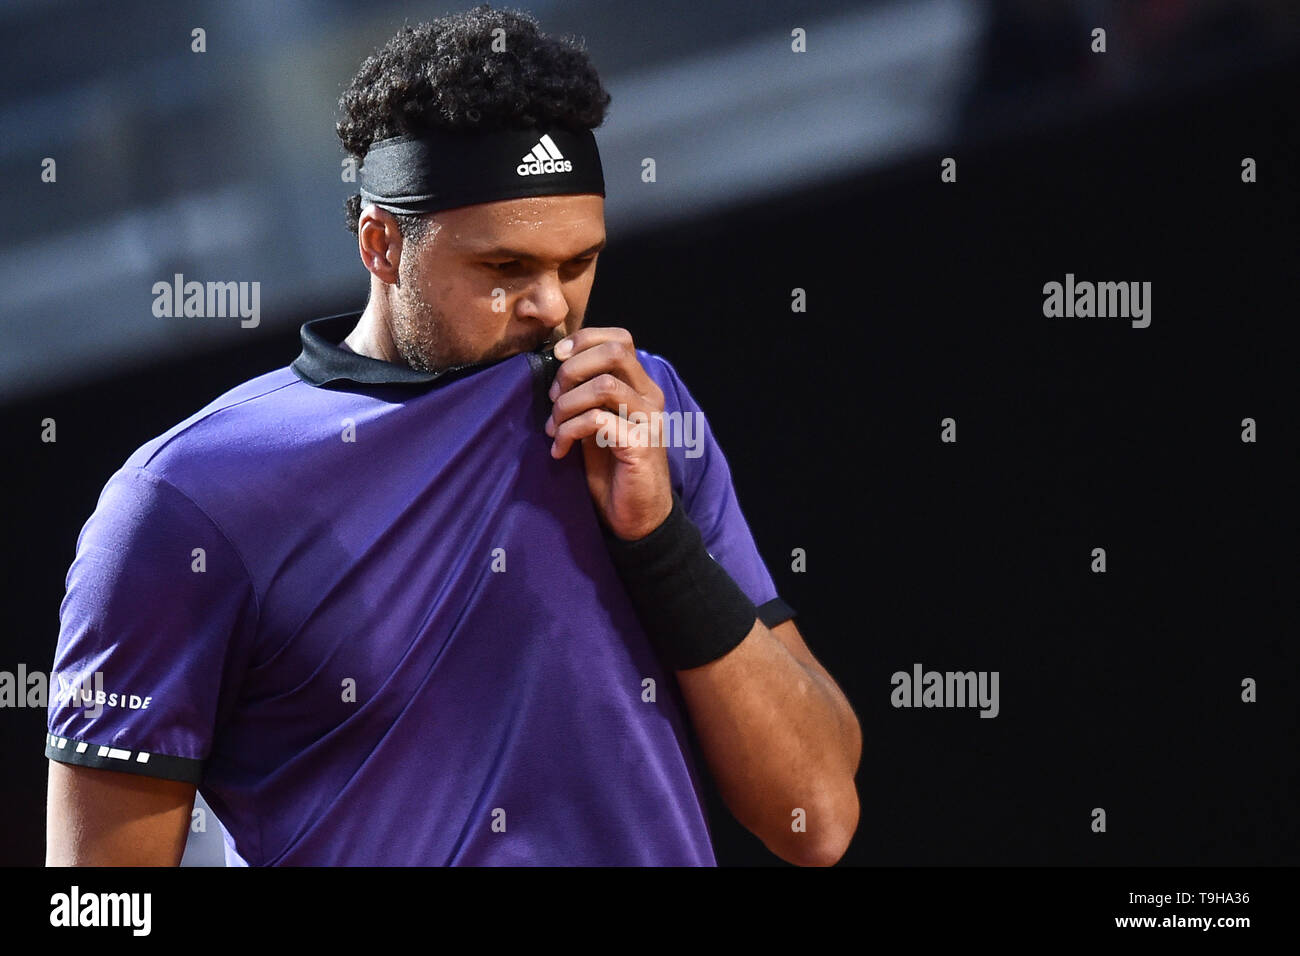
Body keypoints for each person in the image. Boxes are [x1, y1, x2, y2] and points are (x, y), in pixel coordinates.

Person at [44, 4, 861, 867]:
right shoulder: (185, 500)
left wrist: (658, 541)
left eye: (577, 263)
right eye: (505, 269)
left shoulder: (642, 414)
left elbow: (818, 816)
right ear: (380, 244)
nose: (552, 306)